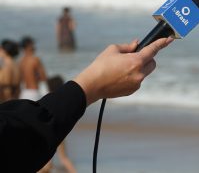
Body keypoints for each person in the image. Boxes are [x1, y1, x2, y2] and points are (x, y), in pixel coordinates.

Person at [0, 37, 173, 172]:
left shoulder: (19, 63)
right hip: (31, 100)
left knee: (35, 148)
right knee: (43, 146)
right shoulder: (28, 62)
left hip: (18, 104)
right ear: (29, 46)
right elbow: (42, 80)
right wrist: (90, 85)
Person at [39, 75, 77, 173]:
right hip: (62, 130)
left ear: (49, 88)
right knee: (63, 158)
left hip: (50, 132)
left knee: (47, 164)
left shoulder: (50, 99)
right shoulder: (65, 100)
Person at [19, 36, 47, 100]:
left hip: (24, 92)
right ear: (29, 46)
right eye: (33, 44)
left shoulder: (20, 62)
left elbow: (20, 79)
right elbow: (44, 77)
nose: (35, 47)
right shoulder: (35, 59)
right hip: (34, 92)